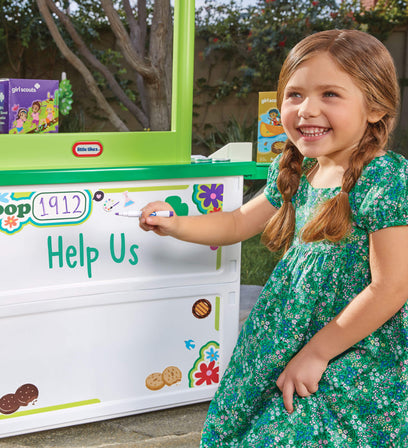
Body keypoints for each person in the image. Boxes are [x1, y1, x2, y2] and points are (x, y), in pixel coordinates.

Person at [139, 29, 408, 446]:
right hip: (285, 334)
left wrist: (317, 354)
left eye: (330, 95)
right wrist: (176, 223)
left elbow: (391, 286)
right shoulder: (297, 170)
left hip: (352, 345)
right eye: (295, 95)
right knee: (252, 429)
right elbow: (235, 224)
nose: (307, 110)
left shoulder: (384, 177)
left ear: (374, 107)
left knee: (302, 433)